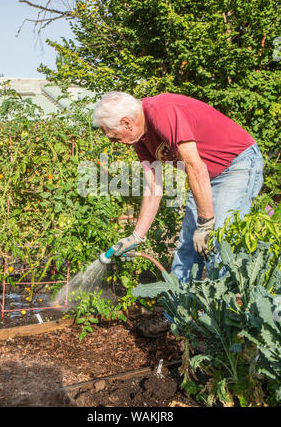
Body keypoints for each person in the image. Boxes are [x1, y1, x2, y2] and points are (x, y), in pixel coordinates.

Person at [92, 91, 264, 337]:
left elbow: (194, 165)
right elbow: (154, 188)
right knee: (186, 247)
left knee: (217, 245)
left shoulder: (162, 112)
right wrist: (136, 236)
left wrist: (205, 224)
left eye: (112, 136)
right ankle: (176, 317)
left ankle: (223, 329)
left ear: (126, 123)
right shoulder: (140, 139)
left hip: (236, 166)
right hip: (204, 175)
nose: (113, 141)